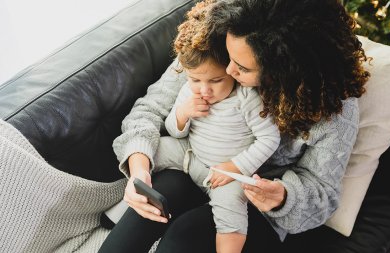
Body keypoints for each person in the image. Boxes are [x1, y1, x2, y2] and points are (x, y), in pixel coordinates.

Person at [99, 0, 370, 252]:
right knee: (149, 207)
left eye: (242, 68)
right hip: (193, 164)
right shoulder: (215, 42)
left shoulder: (333, 109)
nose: (227, 71)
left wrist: (282, 197)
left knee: (184, 236)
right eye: (228, 56)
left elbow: (322, 193)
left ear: (284, 72)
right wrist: (138, 170)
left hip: (250, 201)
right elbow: (150, 109)